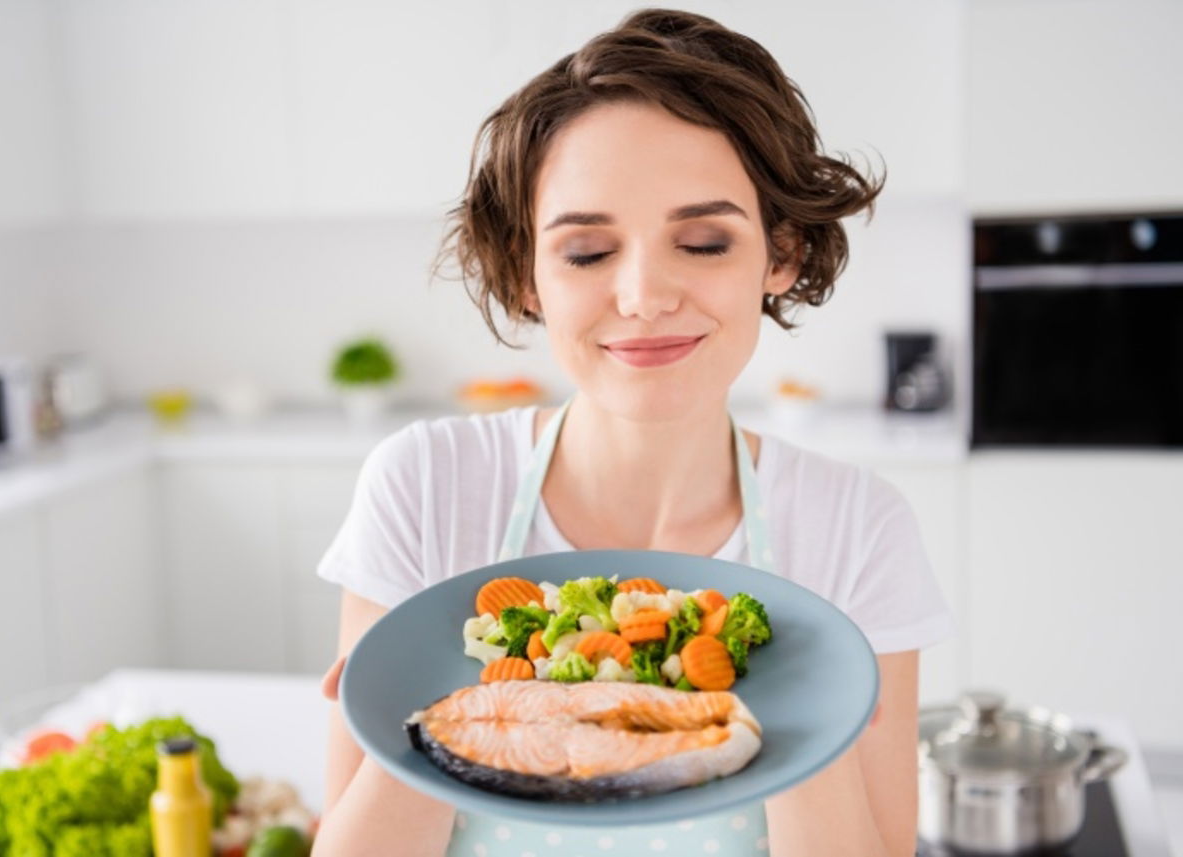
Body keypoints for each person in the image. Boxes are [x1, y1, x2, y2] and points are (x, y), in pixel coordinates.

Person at [311, 8, 953, 857]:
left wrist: (810, 711)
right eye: (586, 252)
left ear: (782, 252)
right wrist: (435, 705)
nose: (645, 294)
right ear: (527, 273)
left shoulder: (856, 527)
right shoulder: (426, 484)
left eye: (702, 240)